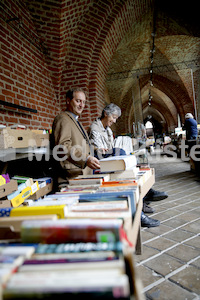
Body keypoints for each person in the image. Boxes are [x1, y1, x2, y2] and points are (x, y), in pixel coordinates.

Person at [88, 103, 168, 227]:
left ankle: (144, 197)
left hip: (110, 161)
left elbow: (111, 146)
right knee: (124, 157)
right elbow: (100, 151)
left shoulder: (107, 129)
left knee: (131, 159)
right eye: (113, 118)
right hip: (101, 164)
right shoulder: (95, 128)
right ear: (105, 114)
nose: (114, 121)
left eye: (115, 119)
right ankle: (141, 209)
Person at [52, 88, 100, 186]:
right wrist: (86, 159)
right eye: (78, 101)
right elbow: (62, 147)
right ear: (68, 101)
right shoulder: (63, 119)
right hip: (71, 177)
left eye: (83, 102)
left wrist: (97, 149)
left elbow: (81, 143)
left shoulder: (76, 121)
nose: (81, 105)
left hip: (82, 174)